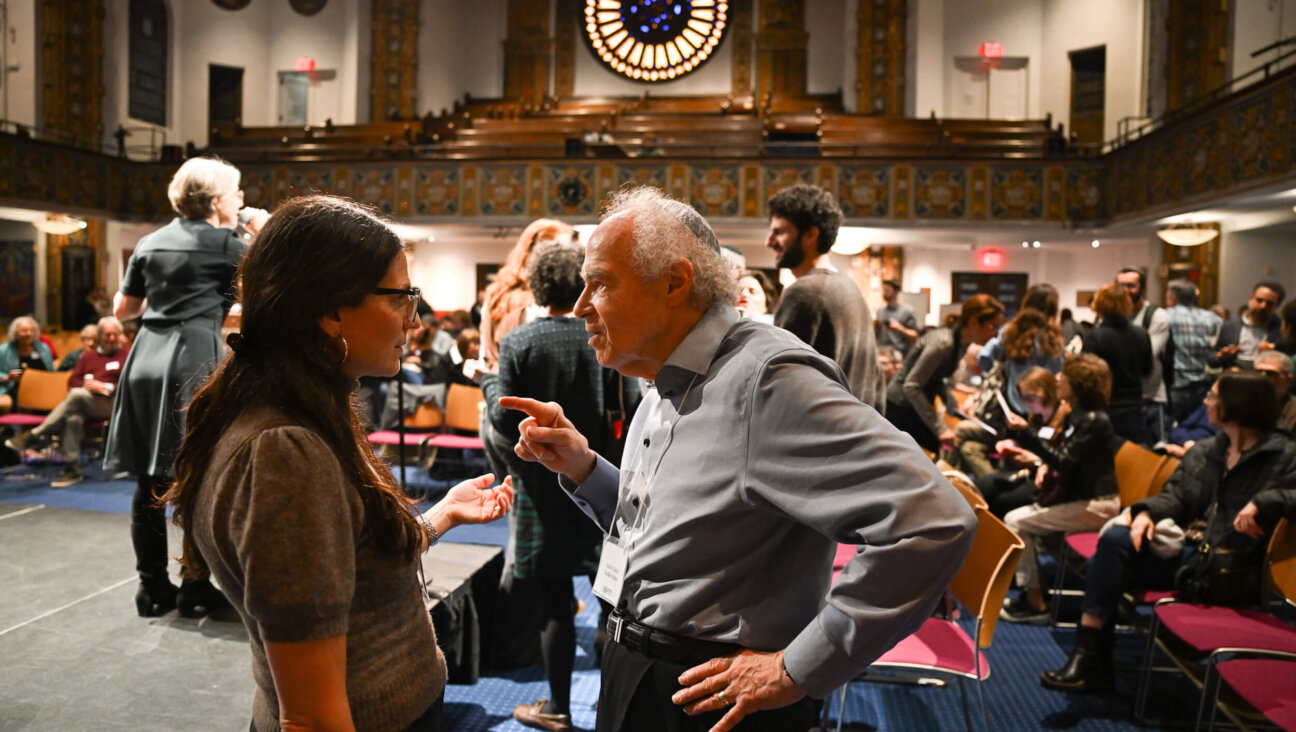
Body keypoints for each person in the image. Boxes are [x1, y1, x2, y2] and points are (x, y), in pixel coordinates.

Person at [500, 186, 975, 732]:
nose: (581, 305)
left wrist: (797, 669)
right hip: (636, 666)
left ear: (675, 283)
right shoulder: (661, 375)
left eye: (600, 284)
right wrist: (585, 467)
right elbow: (663, 525)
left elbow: (934, 520)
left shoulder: (767, 378)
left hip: (712, 697)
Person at [164, 195, 514, 732]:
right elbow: (310, 716)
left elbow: (350, 563)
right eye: (401, 297)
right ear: (330, 311)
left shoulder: (308, 410)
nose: (414, 320)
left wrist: (444, 513)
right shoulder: (285, 453)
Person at [1041, 370, 1296, 692]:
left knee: (1106, 559)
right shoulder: (1209, 450)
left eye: (1214, 395)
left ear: (1238, 404)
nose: (1206, 401)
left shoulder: (1283, 454)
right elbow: (1176, 496)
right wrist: (1147, 512)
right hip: (1192, 557)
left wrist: (1266, 501)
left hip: (1232, 567)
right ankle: (1090, 660)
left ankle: (1092, 662)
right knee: (1113, 549)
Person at [481, 244, 639, 732]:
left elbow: (505, 418)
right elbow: (631, 407)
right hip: (600, 480)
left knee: (555, 607)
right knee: (614, 603)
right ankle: (614, 705)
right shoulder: (606, 337)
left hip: (542, 487)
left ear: (538, 287)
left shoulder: (520, 340)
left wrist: (488, 385)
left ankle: (558, 708)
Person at [105, 156, 270, 618]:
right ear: (217, 201)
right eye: (236, 192)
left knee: (149, 479)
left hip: (145, 357)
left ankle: (151, 587)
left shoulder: (149, 241)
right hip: (192, 357)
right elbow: (277, 277)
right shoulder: (225, 244)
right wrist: (257, 230)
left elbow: (122, 310)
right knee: (198, 478)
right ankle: (195, 585)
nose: (241, 199)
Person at [998, 354, 1121, 624]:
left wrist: (1027, 434)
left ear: (1078, 384)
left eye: (1064, 376)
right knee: (1020, 517)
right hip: (1081, 499)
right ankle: (1037, 592)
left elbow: (1065, 463)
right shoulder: (1080, 415)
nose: (1058, 378)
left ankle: (1036, 603)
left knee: (1015, 523)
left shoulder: (1094, 420)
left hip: (1098, 504)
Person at [767, 184, 884, 410]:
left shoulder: (805, 292)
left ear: (811, 234)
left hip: (820, 437)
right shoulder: (850, 287)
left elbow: (781, 386)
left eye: (779, 232)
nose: (769, 241)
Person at [5, 317, 129, 487]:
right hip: (86, 401)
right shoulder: (88, 357)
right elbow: (73, 381)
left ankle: (37, 434)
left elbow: (131, 382)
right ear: (100, 336)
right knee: (73, 417)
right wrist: (87, 385)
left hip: (112, 403)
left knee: (77, 396)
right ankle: (72, 469)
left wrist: (106, 386)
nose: (112, 338)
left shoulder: (126, 355)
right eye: (108, 335)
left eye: (115, 334)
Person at [885, 294, 1005, 453]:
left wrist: (951, 403)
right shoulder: (943, 343)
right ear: (974, 322)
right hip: (901, 408)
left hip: (913, 406)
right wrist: (940, 428)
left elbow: (935, 377)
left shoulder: (960, 343)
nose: (995, 334)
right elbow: (911, 385)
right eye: (992, 326)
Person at [1082, 282, 1153, 445]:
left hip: (1105, 410)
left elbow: (1087, 378)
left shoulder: (1095, 337)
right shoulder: (1141, 334)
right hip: (1134, 409)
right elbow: (1147, 370)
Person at [1117, 266, 1172, 443]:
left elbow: (1145, 358)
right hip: (1120, 400)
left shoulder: (1156, 316)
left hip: (1150, 398)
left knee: (1154, 453)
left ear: (1143, 288)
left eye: (1131, 285)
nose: (1125, 291)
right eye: (1121, 286)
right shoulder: (1113, 316)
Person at [1164, 279, 1222, 423]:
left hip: (1176, 381)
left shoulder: (1165, 316)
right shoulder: (1213, 318)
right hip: (1204, 383)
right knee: (1195, 427)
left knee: (1167, 426)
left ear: (1173, 297)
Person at [1211, 281, 1285, 370]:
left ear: (1277, 305)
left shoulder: (1281, 329)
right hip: (1234, 378)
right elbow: (1212, 360)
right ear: (1250, 298)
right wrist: (1221, 356)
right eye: (1259, 300)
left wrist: (1272, 354)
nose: (1263, 306)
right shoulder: (1230, 326)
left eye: (1269, 303)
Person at [0, 315, 54, 413]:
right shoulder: (5, 350)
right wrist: (7, 377)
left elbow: (51, 372)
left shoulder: (43, 348)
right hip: (15, 388)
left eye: (31, 330)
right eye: (24, 331)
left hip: (42, 388)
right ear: (15, 333)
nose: (28, 334)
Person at [876, 278, 920, 356]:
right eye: (883, 290)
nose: (884, 293)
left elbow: (915, 336)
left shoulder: (907, 311)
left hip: (899, 354)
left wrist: (899, 329)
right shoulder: (880, 311)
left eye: (887, 290)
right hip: (882, 352)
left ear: (896, 292)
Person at [1255, 351, 1296, 431]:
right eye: (1257, 372)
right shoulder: (1244, 405)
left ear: (1288, 379)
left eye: (1271, 374)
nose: (1262, 378)